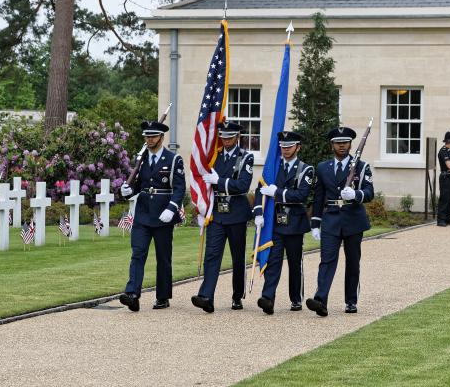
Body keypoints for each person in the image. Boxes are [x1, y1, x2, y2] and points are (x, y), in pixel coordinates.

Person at [306, 126, 374, 317]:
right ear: (332, 145)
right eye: (338, 142)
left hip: (353, 218)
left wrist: (356, 194)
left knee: (352, 262)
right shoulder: (322, 167)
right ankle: (320, 300)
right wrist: (316, 222)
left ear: (351, 144)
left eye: (345, 142)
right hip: (331, 219)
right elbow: (318, 197)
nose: (342, 145)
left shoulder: (361, 166)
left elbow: (370, 192)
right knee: (326, 261)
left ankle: (351, 301)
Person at [119, 120, 187, 312]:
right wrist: (127, 191)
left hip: (163, 214)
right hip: (143, 214)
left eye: (153, 136)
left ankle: (163, 296)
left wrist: (172, 208)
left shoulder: (173, 160)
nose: (149, 139)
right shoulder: (142, 159)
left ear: (161, 138)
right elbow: (140, 184)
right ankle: (132, 293)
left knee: (163, 257)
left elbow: (179, 188)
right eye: (147, 136)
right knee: (138, 253)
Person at [191, 121, 254, 313]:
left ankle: (237, 296)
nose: (226, 140)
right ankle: (206, 296)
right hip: (217, 212)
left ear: (237, 137)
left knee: (237, 258)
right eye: (223, 137)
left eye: (230, 137)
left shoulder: (246, 158)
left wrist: (220, 181)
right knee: (212, 255)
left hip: (236, 212)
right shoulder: (214, 157)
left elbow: (243, 185)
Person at [254, 131, 314, 315]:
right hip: (275, 222)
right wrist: (258, 212)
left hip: (295, 222)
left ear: (298, 147)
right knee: (273, 261)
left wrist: (278, 192)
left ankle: (295, 298)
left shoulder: (306, 169)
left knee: (295, 263)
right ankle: (268, 298)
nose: (286, 150)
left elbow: (302, 195)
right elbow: (260, 189)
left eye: (289, 146)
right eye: (283, 147)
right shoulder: (273, 166)